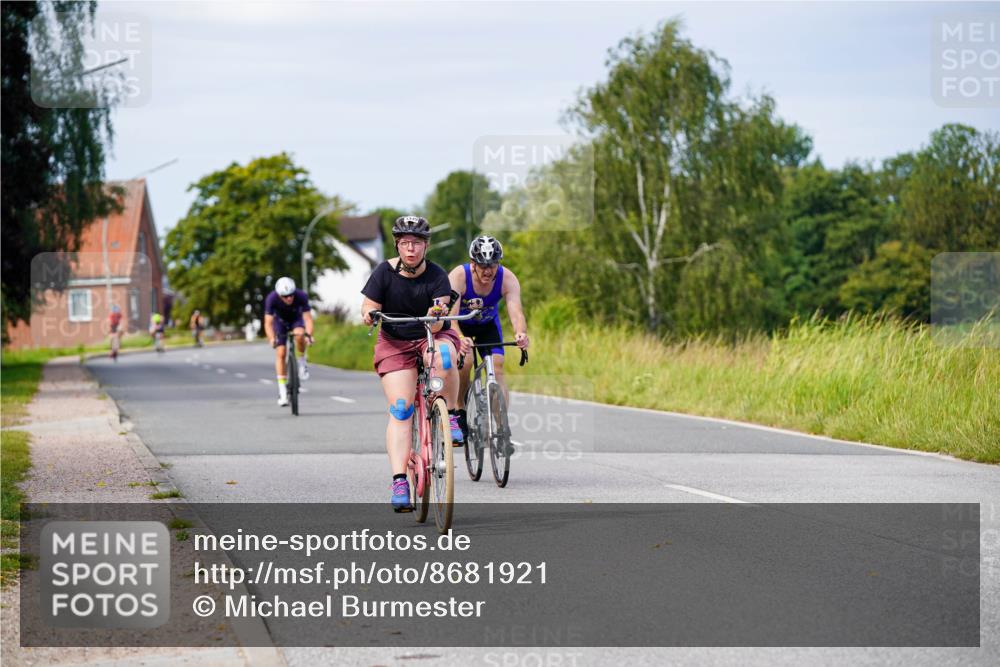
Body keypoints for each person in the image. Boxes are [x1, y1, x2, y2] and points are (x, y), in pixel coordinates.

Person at [360, 215, 471, 510]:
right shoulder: (383, 272)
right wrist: (370, 313)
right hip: (394, 342)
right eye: (405, 243)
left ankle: (448, 414)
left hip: (429, 334)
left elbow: (441, 309)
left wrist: (438, 312)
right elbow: (369, 304)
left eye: (417, 243)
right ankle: (399, 480)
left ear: (426, 246)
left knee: (444, 356)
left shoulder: (437, 275)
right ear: (398, 244)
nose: (411, 249)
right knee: (401, 408)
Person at [449, 235, 529, 433]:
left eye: (492, 265)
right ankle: (460, 409)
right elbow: (449, 317)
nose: (487, 270)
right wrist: (459, 338)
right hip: (460, 325)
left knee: (498, 367)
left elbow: (516, 311)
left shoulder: (507, 278)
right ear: (472, 263)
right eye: (482, 265)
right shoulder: (458, 276)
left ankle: (501, 426)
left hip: (487, 326)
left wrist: (520, 333)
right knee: (465, 361)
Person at [264, 276, 314, 407]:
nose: (289, 298)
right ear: (279, 295)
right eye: (285, 296)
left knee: (299, 335)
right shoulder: (272, 298)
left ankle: (302, 360)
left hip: (296, 320)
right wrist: (271, 338)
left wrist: (308, 335)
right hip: (280, 322)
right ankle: (282, 392)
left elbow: (308, 318)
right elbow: (268, 323)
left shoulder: (301, 295)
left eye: (291, 295)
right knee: (281, 352)